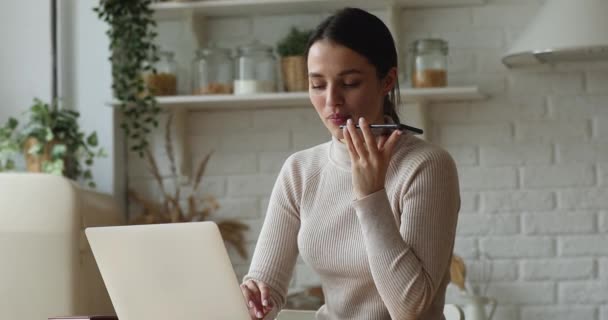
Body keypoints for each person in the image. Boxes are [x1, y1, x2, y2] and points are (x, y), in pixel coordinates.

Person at [240, 7, 460, 320]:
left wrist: (370, 196)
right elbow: (267, 287)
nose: (332, 101)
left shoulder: (427, 166)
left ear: (387, 80)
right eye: (317, 85)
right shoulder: (299, 170)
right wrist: (255, 298)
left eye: (350, 82)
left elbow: (410, 308)